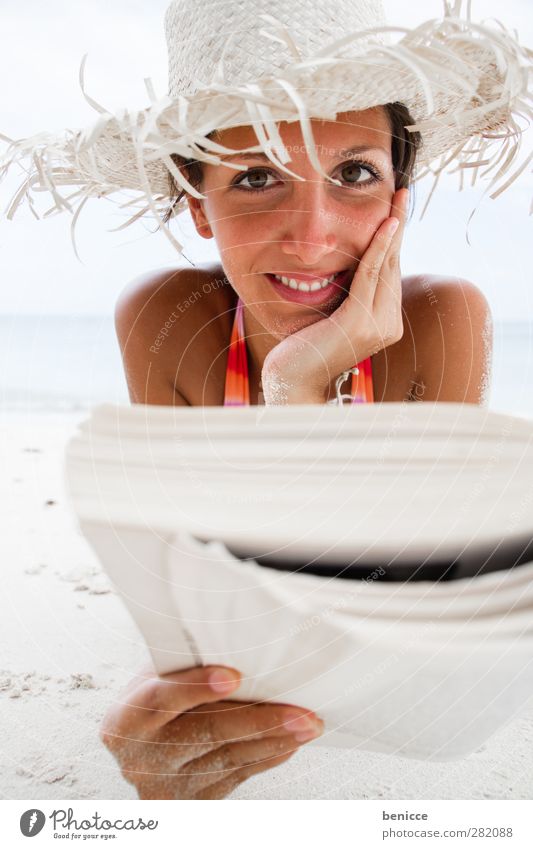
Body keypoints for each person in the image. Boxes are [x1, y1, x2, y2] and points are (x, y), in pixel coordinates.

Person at [2, 0, 531, 801]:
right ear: (197, 203)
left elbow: (410, 614)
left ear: (400, 193)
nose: (312, 233)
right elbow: (191, 591)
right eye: (255, 178)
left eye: (354, 172)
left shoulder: (440, 319)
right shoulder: (163, 318)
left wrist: (298, 384)